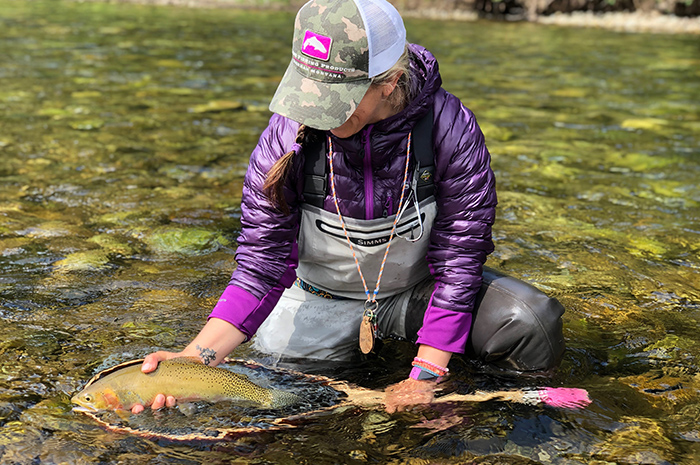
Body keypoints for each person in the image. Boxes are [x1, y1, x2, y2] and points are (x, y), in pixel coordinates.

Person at [134, 0, 565, 415]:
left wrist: (429, 376)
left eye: (333, 100)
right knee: (280, 407)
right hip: (318, 296)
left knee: (530, 321)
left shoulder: (449, 128)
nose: (317, 114)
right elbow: (261, 263)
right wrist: (194, 360)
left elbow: (459, 260)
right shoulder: (286, 137)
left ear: (389, 83)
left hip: (412, 293)